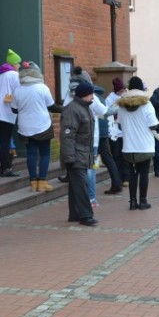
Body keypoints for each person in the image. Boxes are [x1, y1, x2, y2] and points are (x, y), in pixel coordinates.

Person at [11, 61, 62, 192]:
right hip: (42, 125)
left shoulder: (17, 90)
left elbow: (14, 110)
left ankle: (33, 183)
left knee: (31, 154)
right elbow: (51, 107)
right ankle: (42, 182)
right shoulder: (42, 87)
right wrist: (65, 109)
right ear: (37, 73)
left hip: (25, 127)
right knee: (45, 154)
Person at [117, 76, 159, 210]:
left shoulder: (122, 106)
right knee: (144, 173)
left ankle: (132, 202)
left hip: (128, 146)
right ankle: (143, 201)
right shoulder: (147, 104)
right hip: (145, 146)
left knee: (132, 174)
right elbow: (153, 124)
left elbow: (119, 125)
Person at [60, 82, 98, 226]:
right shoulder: (73, 110)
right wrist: (69, 157)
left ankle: (75, 214)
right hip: (76, 154)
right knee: (82, 185)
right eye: (91, 94)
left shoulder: (84, 108)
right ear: (85, 95)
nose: (93, 96)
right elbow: (67, 135)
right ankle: (85, 215)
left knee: (76, 185)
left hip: (82, 153)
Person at [0, 49, 22, 177]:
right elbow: (19, 92)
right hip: (6, 113)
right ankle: (6, 168)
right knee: (5, 141)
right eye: (18, 63)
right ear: (13, 64)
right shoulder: (14, 75)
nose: (19, 66)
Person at [106, 77, 130, 187]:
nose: (122, 93)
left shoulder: (126, 96)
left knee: (125, 154)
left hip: (124, 129)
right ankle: (118, 177)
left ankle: (126, 177)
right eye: (120, 91)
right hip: (114, 130)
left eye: (123, 90)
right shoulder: (110, 98)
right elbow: (106, 111)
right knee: (116, 155)